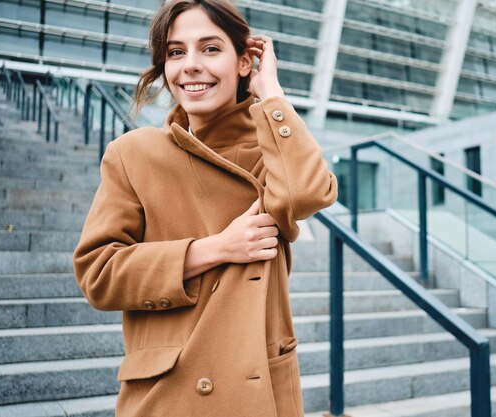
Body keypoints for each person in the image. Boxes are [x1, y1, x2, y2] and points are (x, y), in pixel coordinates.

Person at [72, 1, 338, 416]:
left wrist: (272, 95)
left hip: (258, 389)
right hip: (167, 395)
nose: (190, 65)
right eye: (176, 52)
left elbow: (307, 195)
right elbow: (98, 274)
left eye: (211, 49)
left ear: (245, 62)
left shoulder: (274, 152)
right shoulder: (133, 153)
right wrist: (214, 248)